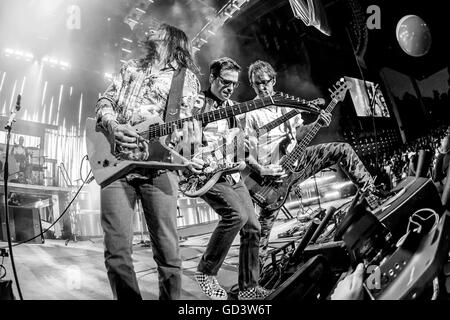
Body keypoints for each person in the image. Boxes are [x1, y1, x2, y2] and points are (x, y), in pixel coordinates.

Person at [95, 23, 203, 300]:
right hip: (116, 167)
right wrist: (112, 125)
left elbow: (186, 134)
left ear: (173, 40)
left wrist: (190, 140)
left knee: (168, 254)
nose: (152, 28)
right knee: (116, 252)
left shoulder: (186, 79)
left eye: (160, 28)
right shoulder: (131, 67)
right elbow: (105, 99)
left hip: (160, 169)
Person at [243, 60, 386, 263]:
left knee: (341, 149)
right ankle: (256, 276)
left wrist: (319, 121)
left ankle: (370, 193)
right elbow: (246, 151)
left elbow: (300, 132)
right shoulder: (252, 113)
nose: (262, 87)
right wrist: (263, 170)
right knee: (261, 231)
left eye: (265, 82)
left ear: (273, 80)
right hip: (274, 176)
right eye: (257, 83)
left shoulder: (286, 104)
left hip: (299, 160)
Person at [192, 57, 271, 300]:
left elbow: (239, 148)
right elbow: (188, 141)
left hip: (231, 173)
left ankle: (248, 288)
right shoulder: (197, 104)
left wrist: (246, 148)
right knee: (235, 215)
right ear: (212, 78)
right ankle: (206, 270)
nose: (229, 88)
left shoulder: (234, 109)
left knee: (253, 226)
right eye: (225, 82)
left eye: (234, 84)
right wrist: (196, 156)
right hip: (208, 174)